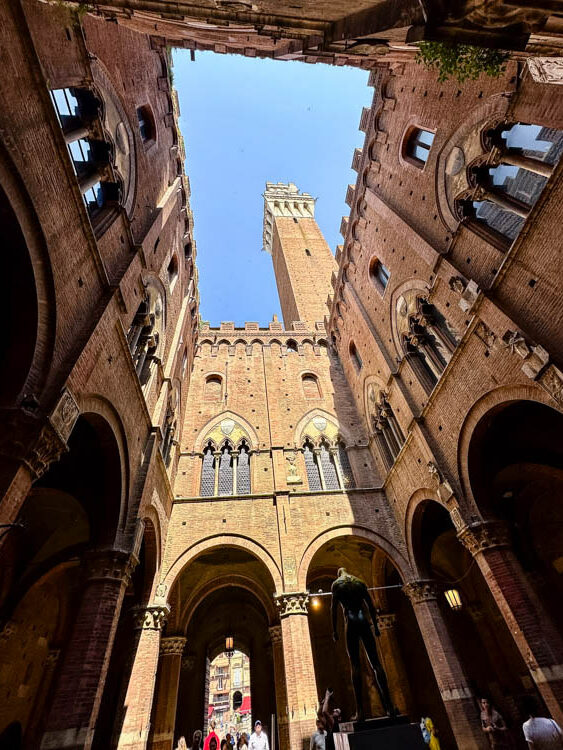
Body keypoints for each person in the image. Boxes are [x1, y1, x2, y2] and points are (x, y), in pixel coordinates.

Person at [331, 567, 394, 720]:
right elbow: (370, 606)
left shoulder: (337, 584)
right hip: (363, 621)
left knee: (355, 665)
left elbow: (333, 609)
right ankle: (390, 708)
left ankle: (360, 711)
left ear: (339, 573)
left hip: (350, 622)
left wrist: (335, 630)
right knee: (376, 663)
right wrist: (376, 626)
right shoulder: (359, 582)